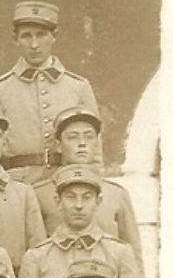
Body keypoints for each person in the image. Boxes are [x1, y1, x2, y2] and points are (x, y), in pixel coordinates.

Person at [18, 165, 149, 278]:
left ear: (98, 202)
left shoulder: (119, 253)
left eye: (86, 198)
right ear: (58, 201)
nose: (78, 205)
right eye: (71, 197)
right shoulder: (37, 257)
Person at [0, 2, 101, 182]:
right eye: (26, 36)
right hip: (17, 183)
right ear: (15, 39)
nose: (34, 44)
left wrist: (94, 182)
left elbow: (95, 149)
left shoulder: (78, 86)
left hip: (66, 183)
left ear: (54, 36)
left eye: (41, 35)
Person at [34, 107, 144, 264]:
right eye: (72, 137)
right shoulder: (39, 194)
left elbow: (133, 255)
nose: (82, 144)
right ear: (58, 145)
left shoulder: (117, 194)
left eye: (89, 137)